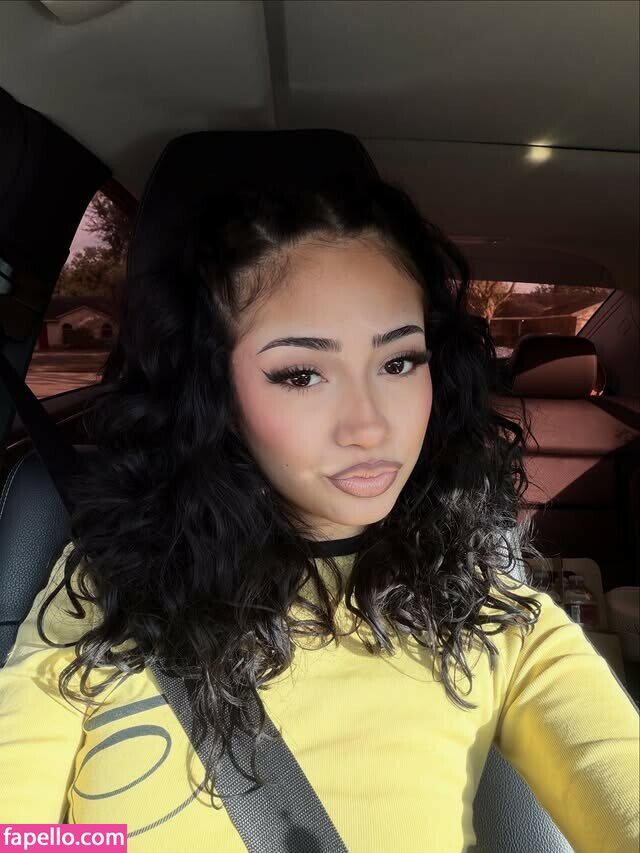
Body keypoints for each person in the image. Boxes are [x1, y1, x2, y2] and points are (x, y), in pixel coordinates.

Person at [0, 176, 638, 852]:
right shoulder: (106, 582)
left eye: (399, 361)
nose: (369, 426)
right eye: (301, 374)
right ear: (215, 390)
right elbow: (19, 824)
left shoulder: (489, 612)